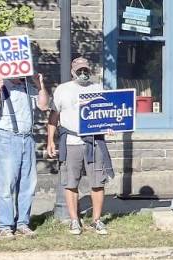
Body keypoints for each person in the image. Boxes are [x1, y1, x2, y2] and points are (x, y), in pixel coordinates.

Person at [47, 57, 114, 235]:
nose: (83, 74)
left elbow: (106, 112)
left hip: (94, 141)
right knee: (71, 182)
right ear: (72, 71)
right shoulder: (63, 90)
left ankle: (96, 220)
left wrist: (110, 126)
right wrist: (50, 141)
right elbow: (53, 117)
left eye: (85, 70)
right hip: (71, 141)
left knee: (97, 181)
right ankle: (74, 220)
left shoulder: (97, 88)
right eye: (79, 71)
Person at [0, 74, 50, 239]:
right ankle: (5, 226)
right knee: (7, 184)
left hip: (27, 138)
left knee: (28, 184)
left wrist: (39, 84)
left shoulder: (28, 86)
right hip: (7, 138)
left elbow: (43, 105)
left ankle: (22, 223)